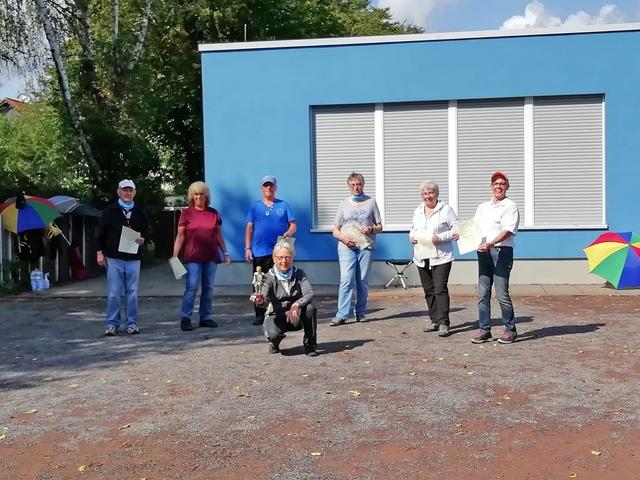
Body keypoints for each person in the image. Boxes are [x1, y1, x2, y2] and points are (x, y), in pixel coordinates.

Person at [172, 181, 231, 332]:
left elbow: (218, 235)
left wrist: (225, 253)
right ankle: (186, 318)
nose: (199, 197)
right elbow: (180, 236)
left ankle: (205, 317)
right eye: (196, 194)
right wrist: (174, 256)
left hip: (211, 256)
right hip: (192, 256)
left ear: (206, 196)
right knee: (191, 286)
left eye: (201, 194)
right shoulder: (187, 214)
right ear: (192, 197)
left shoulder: (213, 213)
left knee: (208, 288)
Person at [471, 171, 520, 345]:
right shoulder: (483, 207)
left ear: (507, 187)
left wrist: (490, 243)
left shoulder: (510, 206)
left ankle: (510, 330)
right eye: (495, 184)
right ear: (491, 187)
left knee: (501, 293)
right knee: (483, 293)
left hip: (501, 253)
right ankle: (484, 330)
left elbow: (507, 230)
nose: (498, 186)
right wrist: (460, 235)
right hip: (483, 253)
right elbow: (474, 228)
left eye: (502, 183)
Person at [96, 179, 149, 336]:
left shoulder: (140, 212)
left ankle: (132, 324)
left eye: (130, 190)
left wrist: (143, 240)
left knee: (132, 292)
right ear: (118, 192)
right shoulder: (109, 211)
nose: (127, 193)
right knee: (114, 292)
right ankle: (112, 324)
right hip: (114, 257)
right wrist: (99, 252)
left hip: (133, 258)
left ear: (134, 192)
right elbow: (100, 233)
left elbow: (146, 232)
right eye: (124, 190)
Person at [330, 172, 383, 326]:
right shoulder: (343, 204)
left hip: (365, 246)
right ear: (349, 186)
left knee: (362, 281)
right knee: (346, 279)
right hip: (347, 246)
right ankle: (342, 315)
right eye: (353, 184)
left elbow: (380, 226)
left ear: (363, 185)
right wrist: (344, 239)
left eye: (358, 184)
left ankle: (360, 312)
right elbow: (335, 230)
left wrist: (371, 229)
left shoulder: (371, 202)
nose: (356, 187)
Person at [245, 175, 297, 325]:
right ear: (261, 188)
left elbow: (293, 224)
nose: (269, 188)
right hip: (259, 251)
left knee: (280, 281)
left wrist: (289, 232)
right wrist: (247, 248)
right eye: (266, 185)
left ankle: (278, 310)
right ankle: (259, 314)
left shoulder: (284, 205)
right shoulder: (255, 206)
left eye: (271, 185)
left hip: (278, 252)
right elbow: (249, 228)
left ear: (275, 187)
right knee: (259, 283)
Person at [409, 181, 459, 337]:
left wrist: (441, 237)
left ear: (436, 194)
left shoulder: (445, 210)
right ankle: (434, 320)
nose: (427, 196)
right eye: (424, 193)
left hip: (441, 256)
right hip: (422, 255)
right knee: (428, 290)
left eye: (430, 193)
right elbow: (412, 229)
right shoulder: (418, 210)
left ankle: (444, 322)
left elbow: (456, 229)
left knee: (440, 289)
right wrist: (412, 237)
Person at [253, 240, 318, 357]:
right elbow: (265, 300)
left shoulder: (299, 273)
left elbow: (309, 293)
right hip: (277, 315)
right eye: (280, 257)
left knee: (310, 309)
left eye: (287, 257)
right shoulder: (268, 277)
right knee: (274, 335)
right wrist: (260, 301)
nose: (284, 261)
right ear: (274, 259)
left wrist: (297, 304)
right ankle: (274, 343)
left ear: (292, 258)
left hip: (296, 315)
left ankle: (310, 346)